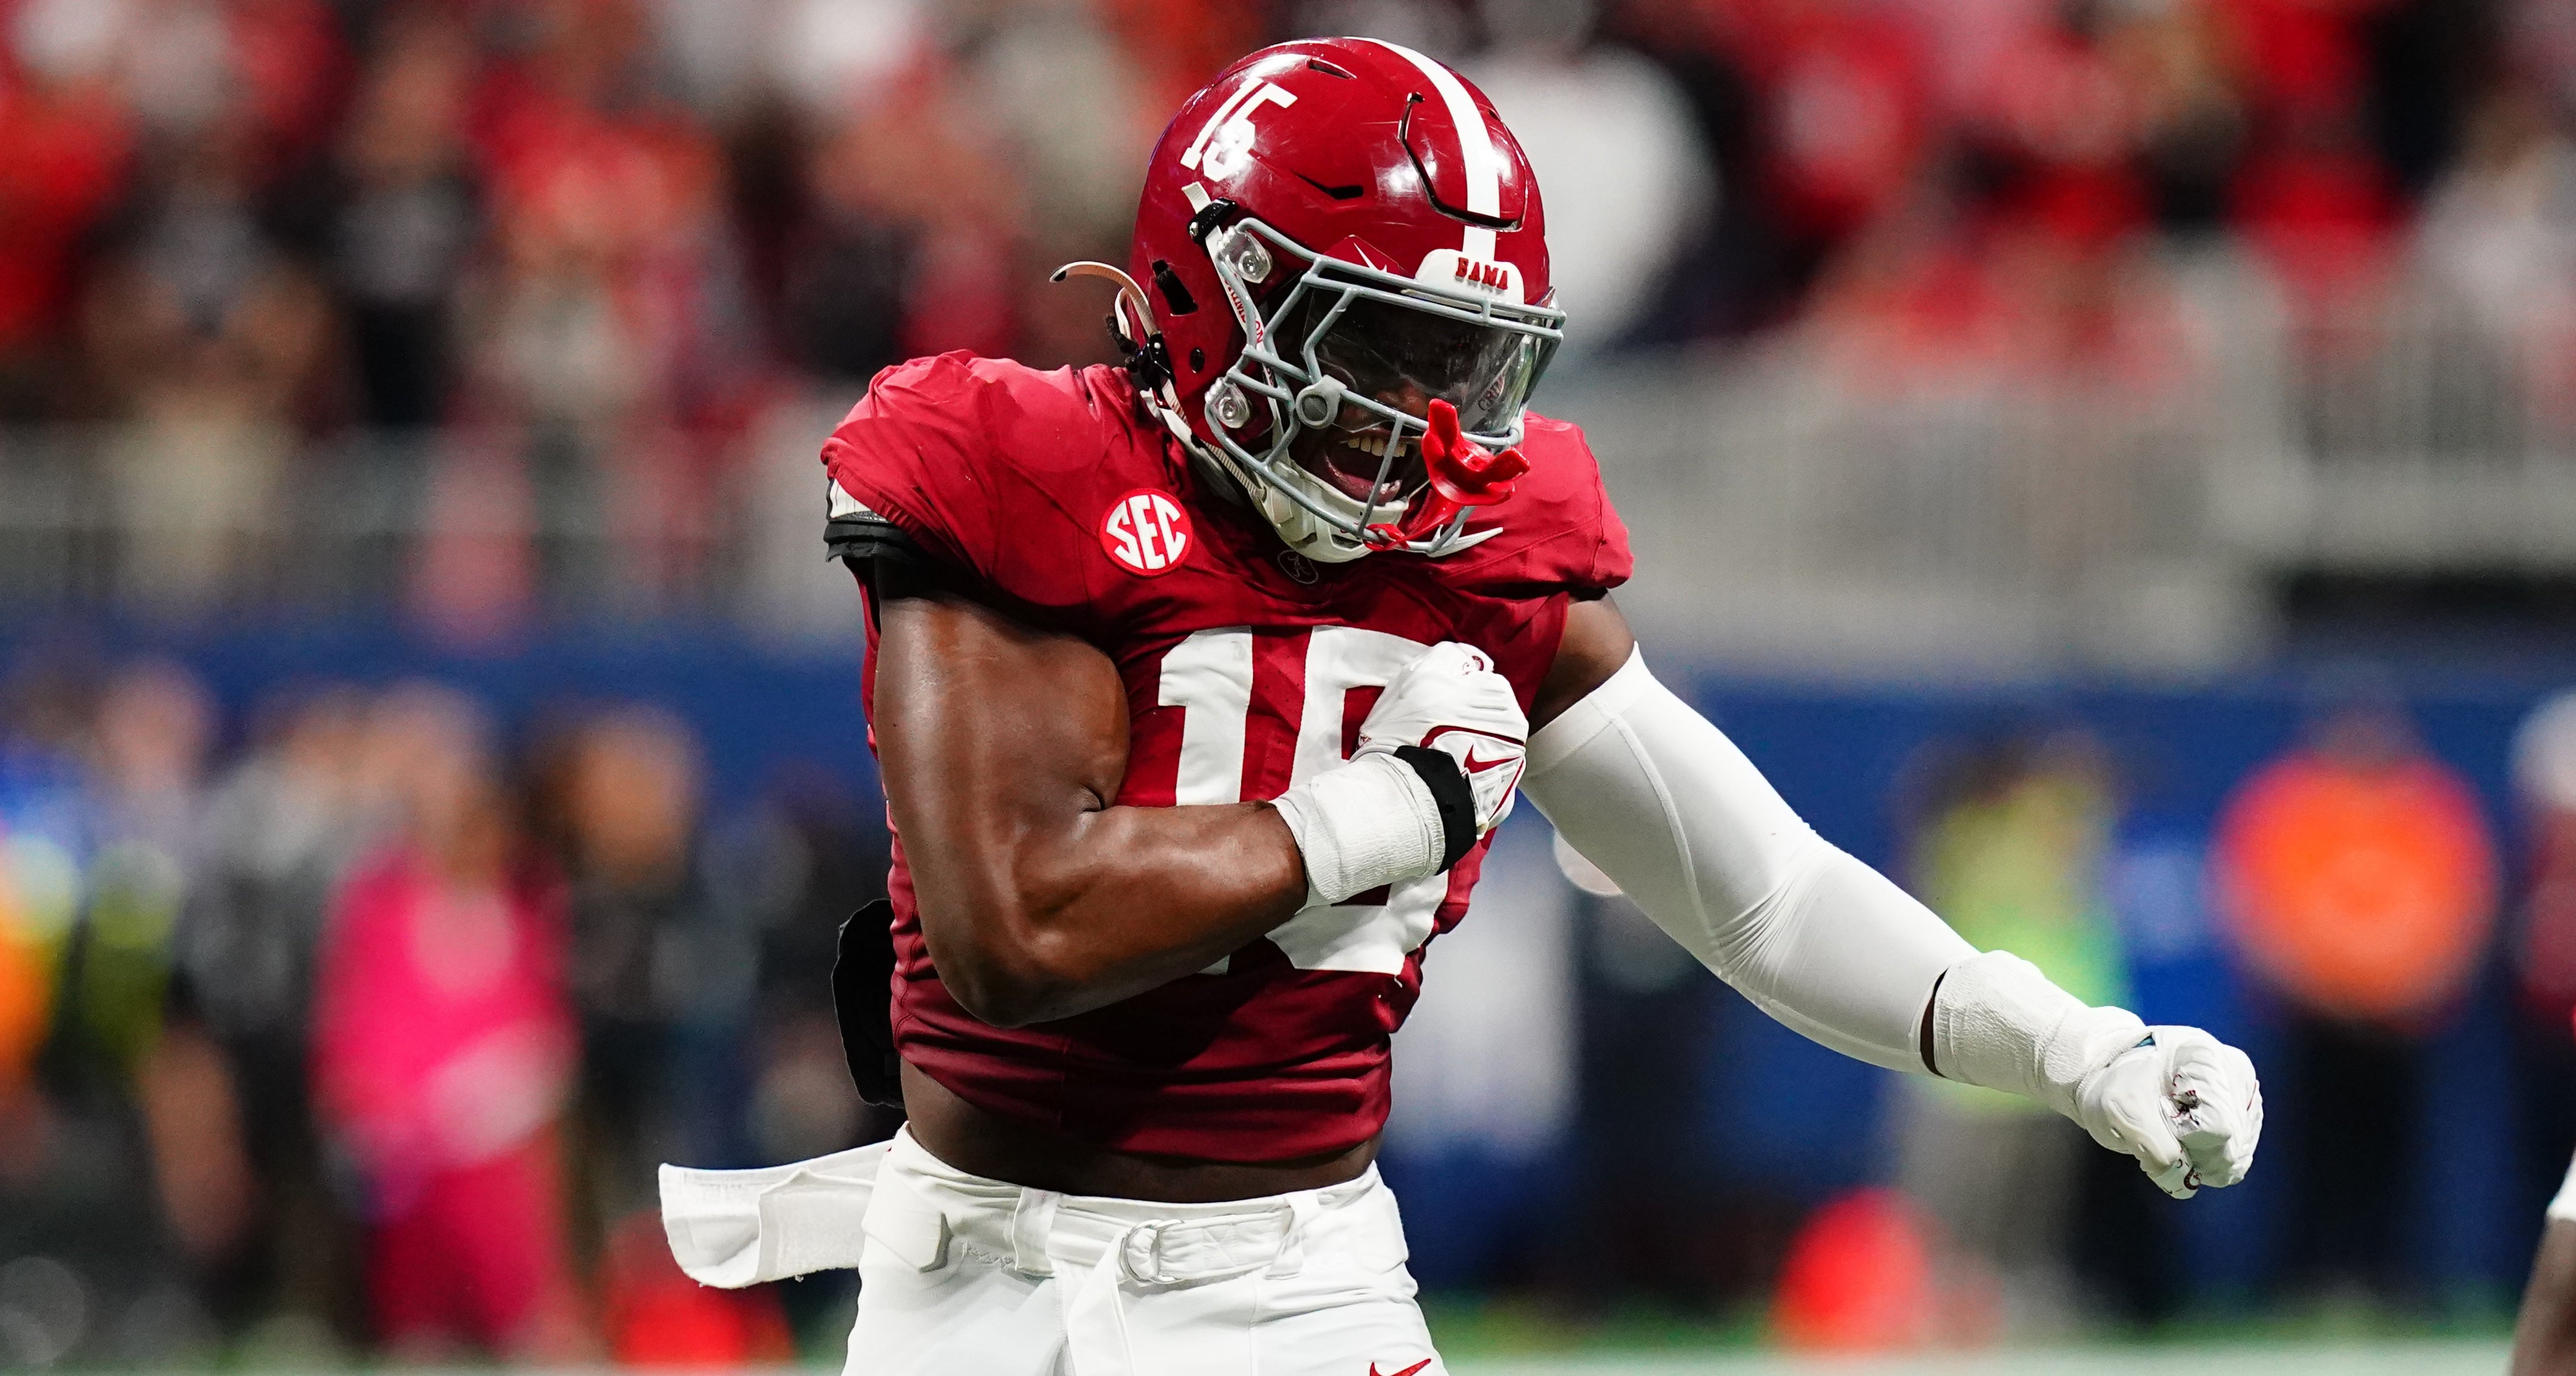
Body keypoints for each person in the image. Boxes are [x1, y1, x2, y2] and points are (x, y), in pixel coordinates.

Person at [657, 39, 2264, 1376]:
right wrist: (1393, 810)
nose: (1417, 418)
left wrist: (2071, 1044)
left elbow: (1761, 894)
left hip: (1298, 1284)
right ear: (1214, 285)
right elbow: (1018, 930)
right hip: (982, 1285)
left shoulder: (1491, 551)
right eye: (1381, 340)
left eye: (1464, 358)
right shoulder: (1022, 468)